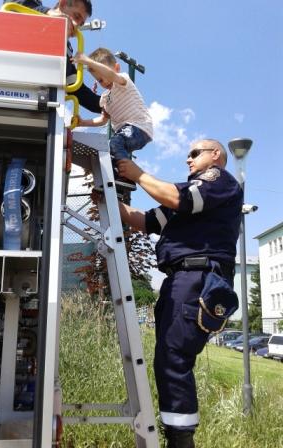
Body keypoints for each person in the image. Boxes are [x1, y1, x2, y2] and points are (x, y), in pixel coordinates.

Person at [116, 139, 243, 448]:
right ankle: (177, 435)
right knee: (168, 357)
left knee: (174, 358)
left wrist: (136, 173)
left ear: (215, 156)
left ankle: (181, 441)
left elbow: (179, 198)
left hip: (198, 277)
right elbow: (144, 221)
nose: (188, 159)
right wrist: (107, 197)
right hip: (181, 279)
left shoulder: (218, 179)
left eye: (194, 153)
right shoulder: (188, 203)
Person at [72, 47, 153, 191]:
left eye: (104, 75)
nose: (104, 81)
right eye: (100, 80)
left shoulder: (122, 81)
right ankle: (113, 180)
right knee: (108, 152)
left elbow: (110, 74)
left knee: (115, 142)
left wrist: (88, 61)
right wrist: (83, 122)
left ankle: (128, 177)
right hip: (126, 132)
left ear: (116, 68)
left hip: (140, 127)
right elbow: (103, 120)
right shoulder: (104, 99)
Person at [2, 0, 101, 113]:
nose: (76, 25)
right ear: (62, 4)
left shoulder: (66, 50)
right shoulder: (31, 14)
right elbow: (13, 4)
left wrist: (108, 105)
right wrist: (48, 13)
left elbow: (77, 88)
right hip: (2, 91)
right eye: (76, 16)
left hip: (38, 108)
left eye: (80, 24)